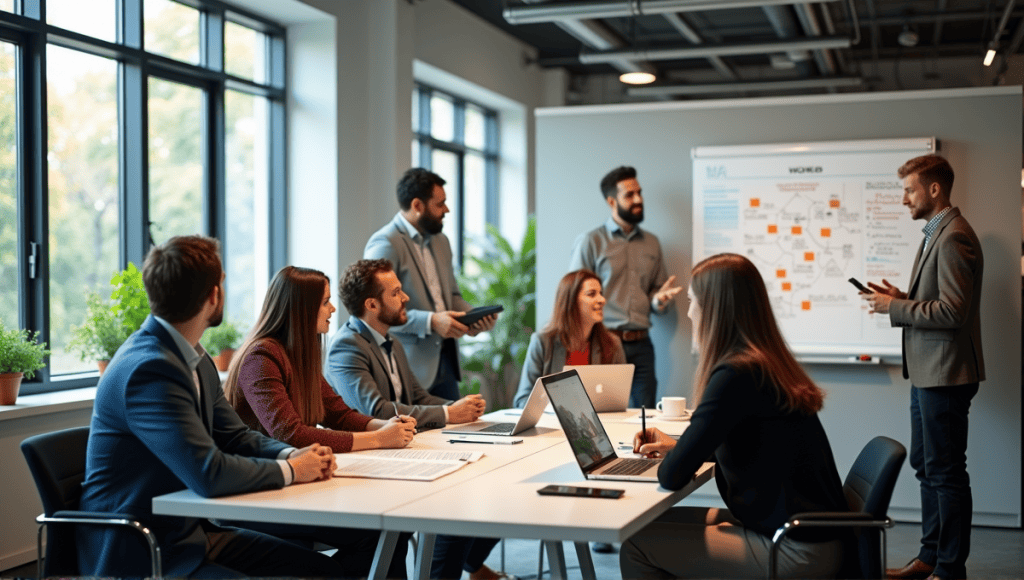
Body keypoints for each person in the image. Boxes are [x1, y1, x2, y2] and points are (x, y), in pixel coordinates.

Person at [77, 235, 345, 579]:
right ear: (213, 295)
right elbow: (209, 473)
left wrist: (289, 455)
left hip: (192, 532)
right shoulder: (148, 369)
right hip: (146, 548)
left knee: (326, 572)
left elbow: (235, 435)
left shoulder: (194, 357)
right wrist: (294, 471)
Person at [620, 253, 849, 579]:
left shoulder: (735, 374)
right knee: (649, 527)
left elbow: (671, 476)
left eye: (692, 301)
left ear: (713, 308)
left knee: (637, 544)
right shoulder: (762, 362)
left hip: (796, 549)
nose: (688, 312)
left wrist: (679, 454)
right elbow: (746, 441)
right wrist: (676, 445)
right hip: (808, 533)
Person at [223, 265, 416, 578]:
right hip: (260, 494)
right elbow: (290, 434)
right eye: (325, 301)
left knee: (392, 530)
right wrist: (379, 439)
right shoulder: (260, 357)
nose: (332, 308)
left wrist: (386, 426)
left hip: (293, 487)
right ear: (301, 308)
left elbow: (338, 413)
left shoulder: (300, 351)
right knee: (380, 532)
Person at [325, 258, 510, 580]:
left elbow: (417, 397)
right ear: (371, 304)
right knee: (456, 507)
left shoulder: (392, 341)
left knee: (486, 483)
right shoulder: (346, 346)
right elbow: (376, 411)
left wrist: (462, 409)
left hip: (404, 449)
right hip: (373, 462)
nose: (406, 298)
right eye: (396, 292)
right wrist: (447, 414)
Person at [861, 155, 983, 580]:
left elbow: (952, 311)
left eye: (909, 190)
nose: (903, 199)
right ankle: (929, 558)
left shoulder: (953, 237)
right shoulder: (937, 234)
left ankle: (949, 569)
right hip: (929, 372)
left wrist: (896, 306)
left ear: (934, 190)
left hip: (945, 375)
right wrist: (904, 295)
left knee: (946, 473)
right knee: (927, 466)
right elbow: (940, 298)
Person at [363, 167, 498, 402]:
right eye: (440, 204)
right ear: (417, 205)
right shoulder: (386, 243)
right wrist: (431, 322)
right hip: (408, 366)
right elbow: (374, 312)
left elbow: (451, 296)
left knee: (454, 431)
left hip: (446, 360)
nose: (446, 210)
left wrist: (471, 318)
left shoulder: (441, 241)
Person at [569, 165, 682, 411]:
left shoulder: (652, 243)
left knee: (646, 415)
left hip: (642, 346)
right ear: (612, 201)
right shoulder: (592, 242)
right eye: (629, 195)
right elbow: (574, 296)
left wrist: (659, 302)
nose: (638, 200)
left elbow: (655, 291)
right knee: (603, 415)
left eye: (639, 193)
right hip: (604, 343)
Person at [512, 269, 625, 408]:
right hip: (554, 424)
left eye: (601, 293)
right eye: (591, 294)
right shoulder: (542, 342)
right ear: (570, 300)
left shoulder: (612, 343)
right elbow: (521, 400)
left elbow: (619, 402)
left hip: (602, 424)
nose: (602, 300)